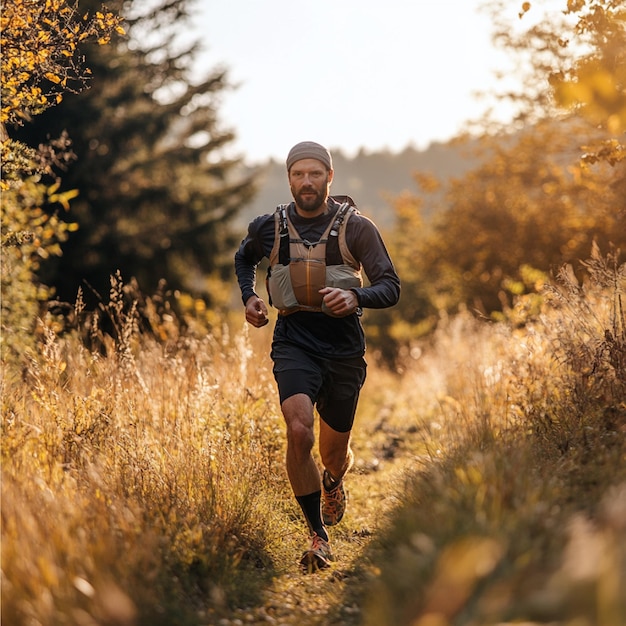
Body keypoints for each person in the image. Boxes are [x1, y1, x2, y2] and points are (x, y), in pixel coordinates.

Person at [234, 141, 400, 571]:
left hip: (344, 346)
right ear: (289, 178)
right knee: (299, 430)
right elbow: (243, 257)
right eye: (298, 174)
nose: (306, 182)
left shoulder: (357, 228)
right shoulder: (269, 227)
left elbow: (390, 285)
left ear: (329, 176)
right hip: (294, 339)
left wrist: (355, 295)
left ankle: (334, 481)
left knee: (332, 453)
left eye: (314, 173)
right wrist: (250, 296)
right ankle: (317, 535)